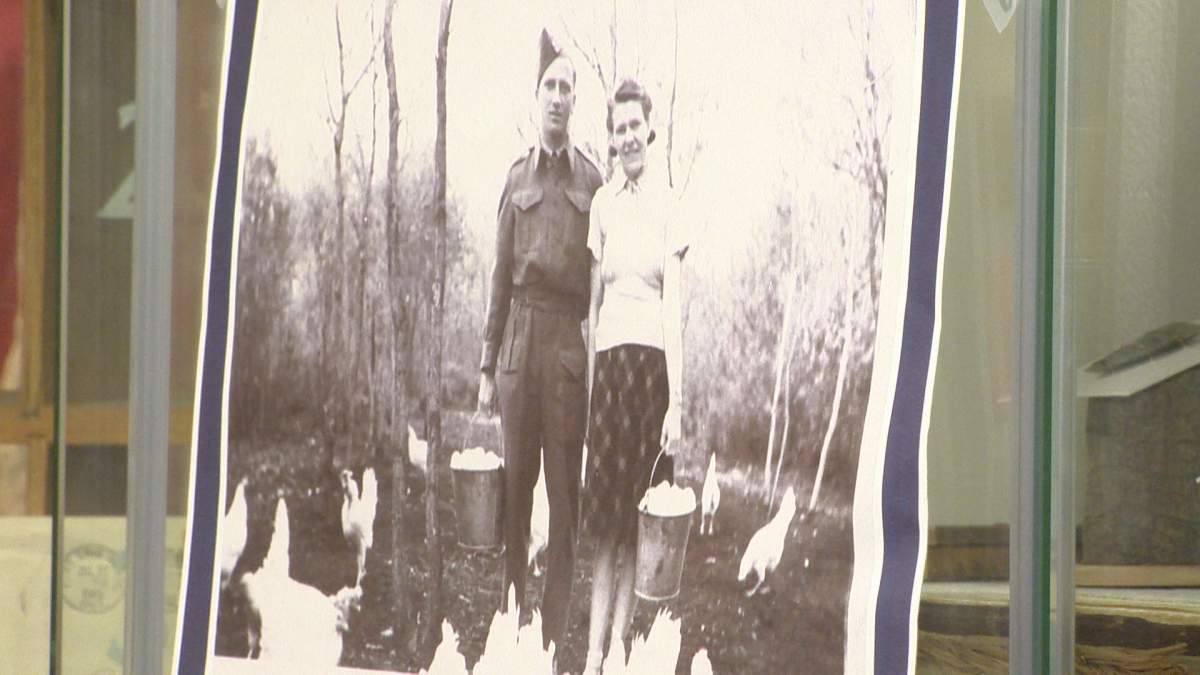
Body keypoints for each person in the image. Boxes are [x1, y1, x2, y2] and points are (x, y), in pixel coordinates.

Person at [477, 29, 603, 654]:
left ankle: (551, 642)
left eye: (566, 88)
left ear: (576, 102)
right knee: (515, 492)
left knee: (564, 502)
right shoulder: (515, 178)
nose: (557, 97)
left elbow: (604, 280)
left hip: (567, 352)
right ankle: (512, 625)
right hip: (519, 345)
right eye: (549, 86)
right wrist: (485, 363)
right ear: (536, 97)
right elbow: (499, 274)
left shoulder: (593, 181)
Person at [580, 79, 687, 674]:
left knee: (637, 524)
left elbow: (673, 308)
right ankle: (593, 652)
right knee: (605, 529)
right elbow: (593, 304)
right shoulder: (602, 204)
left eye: (635, 126)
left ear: (651, 128)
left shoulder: (669, 204)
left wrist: (679, 402)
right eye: (617, 128)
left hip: (652, 375)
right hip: (611, 372)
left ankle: (619, 652)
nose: (627, 137)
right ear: (612, 136)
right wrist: (594, 383)